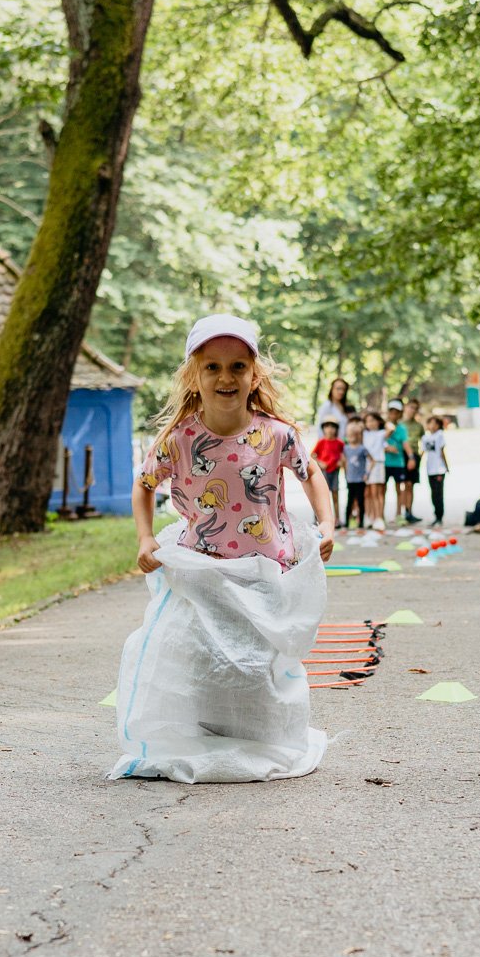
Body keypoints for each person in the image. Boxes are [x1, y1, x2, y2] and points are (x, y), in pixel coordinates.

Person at [122, 315, 336, 782]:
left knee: (258, 657)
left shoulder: (276, 434)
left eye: (238, 366)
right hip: (203, 569)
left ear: (254, 375)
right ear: (194, 377)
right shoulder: (178, 440)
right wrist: (145, 537)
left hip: (265, 568)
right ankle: (210, 732)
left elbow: (312, 473)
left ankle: (262, 733)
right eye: (213, 367)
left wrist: (326, 523)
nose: (226, 377)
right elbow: (143, 487)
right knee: (203, 653)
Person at [381, 400, 411, 525]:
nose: (393, 415)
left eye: (396, 413)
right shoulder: (382, 426)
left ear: (400, 414)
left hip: (398, 463)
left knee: (400, 489)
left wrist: (411, 457)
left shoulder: (402, 429)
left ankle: (399, 514)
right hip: (384, 463)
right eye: (391, 412)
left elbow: (405, 444)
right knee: (382, 490)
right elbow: (376, 443)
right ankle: (380, 516)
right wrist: (386, 448)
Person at [312, 420, 346, 528]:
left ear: (336, 429)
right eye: (327, 427)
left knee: (335, 495)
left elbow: (343, 455)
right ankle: (319, 519)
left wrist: (341, 462)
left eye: (332, 427)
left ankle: (337, 519)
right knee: (321, 495)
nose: (330, 430)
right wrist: (320, 463)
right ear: (323, 429)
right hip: (323, 472)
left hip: (334, 471)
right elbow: (313, 455)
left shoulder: (339, 442)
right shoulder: (321, 442)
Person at [420, 414, 450, 527]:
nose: (432, 426)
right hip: (430, 469)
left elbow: (442, 452)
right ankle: (435, 515)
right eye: (430, 423)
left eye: (435, 423)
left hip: (439, 469)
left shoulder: (440, 435)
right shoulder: (425, 438)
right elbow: (422, 452)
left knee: (439, 493)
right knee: (433, 493)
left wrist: (446, 467)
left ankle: (439, 516)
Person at [400, 398, 426, 525]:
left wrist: (419, 456)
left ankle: (409, 511)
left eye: (415, 408)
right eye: (410, 407)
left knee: (410, 484)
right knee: (402, 485)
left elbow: (425, 442)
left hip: (414, 456)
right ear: (405, 407)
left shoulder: (419, 426)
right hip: (402, 455)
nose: (412, 410)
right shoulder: (400, 424)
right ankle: (400, 513)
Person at [361, 411, 389, 530]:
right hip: (366, 464)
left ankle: (379, 518)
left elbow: (391, 428)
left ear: (378, 421)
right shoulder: (365, 434)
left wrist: (384, 423)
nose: (370, 423)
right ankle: (369, 517)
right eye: (367, 421)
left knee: (377, 492)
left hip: (377, 464)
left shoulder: (381, 433)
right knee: (368, 493)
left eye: (373, 420)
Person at [342, 417, 369, 531]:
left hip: (360, 479)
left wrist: (367, 473)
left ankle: (361, 521)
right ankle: (347, 521)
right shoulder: (346, 448)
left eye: (354, 435)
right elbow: (344, 462)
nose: (351, 437)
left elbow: (371, 460)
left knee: (360, 500)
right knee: (349, 501)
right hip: (350, 478)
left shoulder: (362, 449)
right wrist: (345, 473)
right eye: (349, 435)